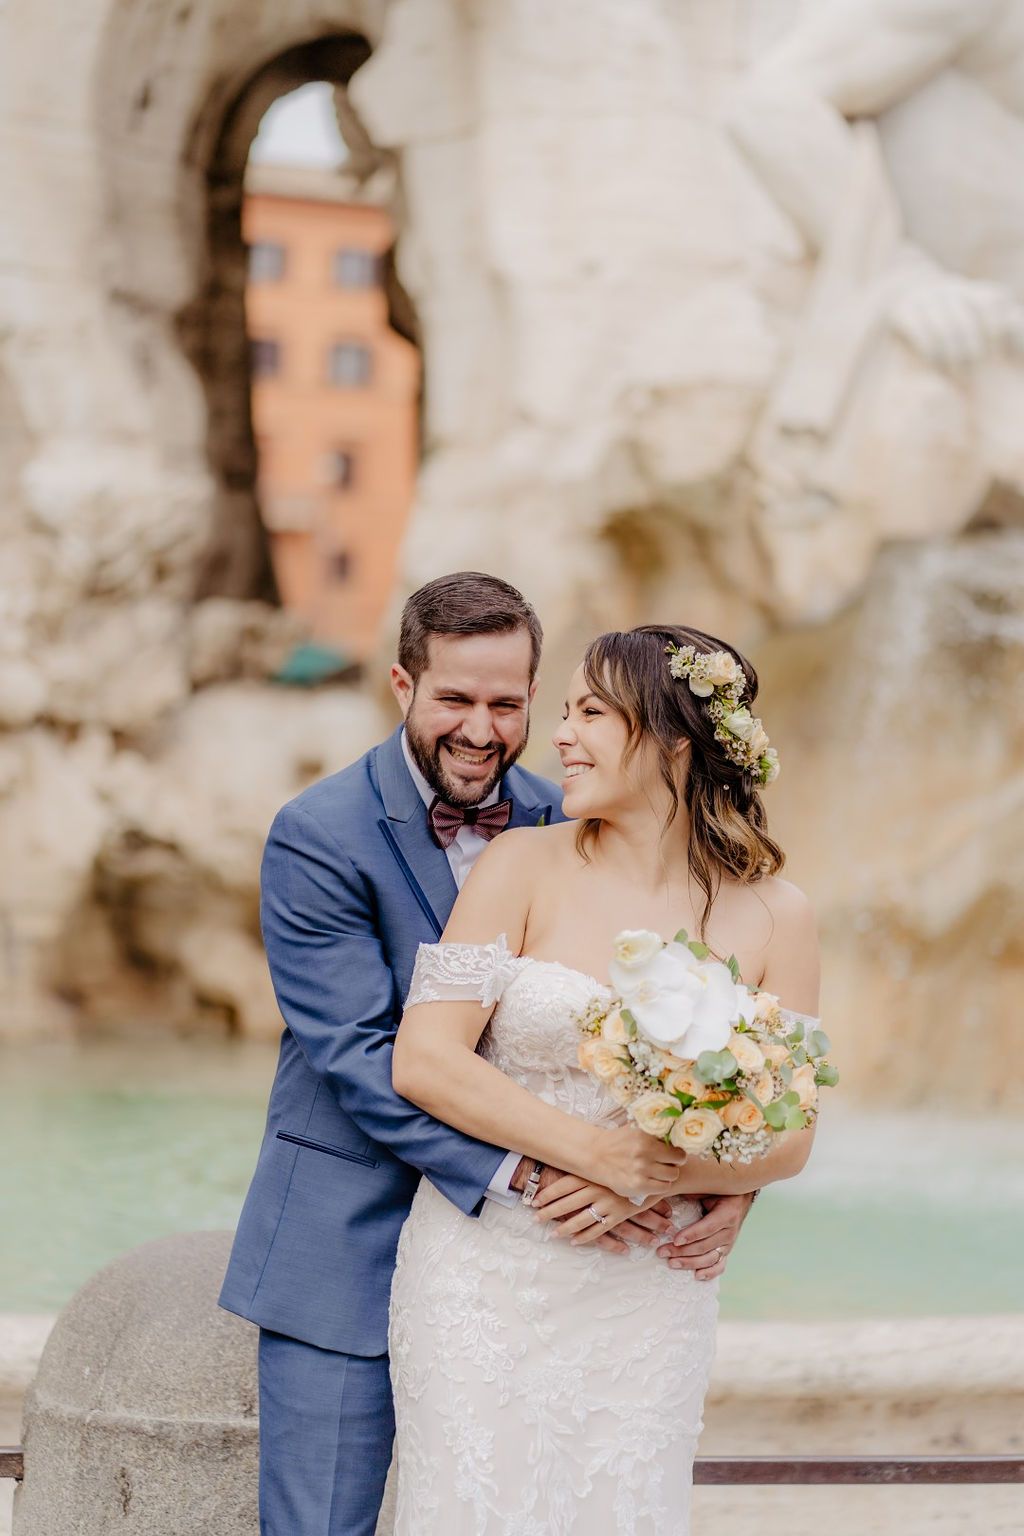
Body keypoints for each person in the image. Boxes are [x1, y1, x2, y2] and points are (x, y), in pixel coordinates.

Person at [219, 577, 755, 1536]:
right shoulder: (317, 834)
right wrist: (541, 1170)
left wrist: (718, 1178)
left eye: (507, 704)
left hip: (539, 1267)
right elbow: (363, 1059)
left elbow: (676, 1025)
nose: (482, 729)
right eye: (455, 699)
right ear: (401, 685)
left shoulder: (576, 817)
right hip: (349, 1240)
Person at [390, 622, 821, 1534]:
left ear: (672, 741)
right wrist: (598, 1157)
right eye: (566, 710)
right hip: (488, 1269)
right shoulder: (520, 865)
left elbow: (790, 1136)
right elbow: (425, 1059)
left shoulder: (781, 915)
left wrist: (665, 1177)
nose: (562, 736)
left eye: (592, 711)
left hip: (648, 1282)